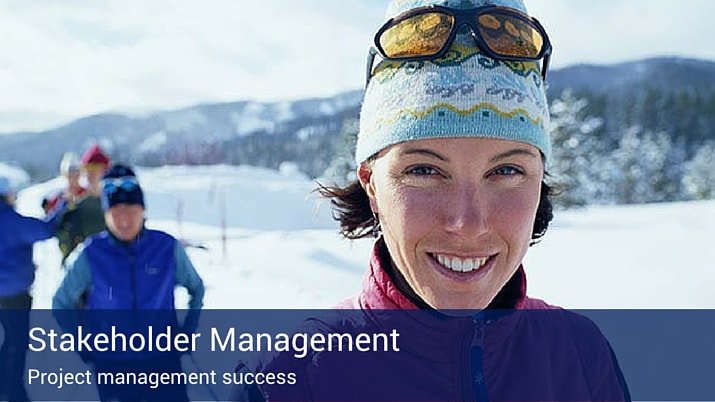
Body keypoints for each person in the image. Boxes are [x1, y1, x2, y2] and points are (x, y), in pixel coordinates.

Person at [233, 0, 630, 401]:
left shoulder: (580, 355)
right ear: (372, 186)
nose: (468, 223)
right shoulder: (292, 379)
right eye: (424, 170)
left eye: (507, 171)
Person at [52, 164, 205, 402]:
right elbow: (61, 302)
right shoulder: (91, 253)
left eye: (131, 211)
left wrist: (187, 332)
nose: (124, 220)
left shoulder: (166, 247)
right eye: (116, 213)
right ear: (106, 215)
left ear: (143, 211)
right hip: (112, 365)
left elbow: (196, 287)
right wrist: (82, 345)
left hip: (163, 362)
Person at [0, 176, 64, 401]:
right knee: (18, 343)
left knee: (7, 340)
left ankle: (4, 387)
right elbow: (46, 230)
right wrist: (61, 208)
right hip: (15, 294)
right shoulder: (11, 221)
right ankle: (15, 393)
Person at [56, 144, 110, 263]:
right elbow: (67, 247)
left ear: (105, 170)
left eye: (96, 167)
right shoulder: (77, 207)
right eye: (88, 167)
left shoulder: (115, 205)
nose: (92, 173)